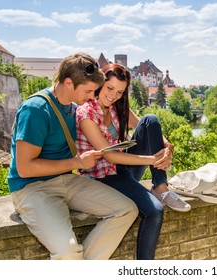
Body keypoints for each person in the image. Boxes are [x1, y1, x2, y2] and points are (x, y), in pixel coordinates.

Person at [7, 53, 138, 260]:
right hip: (32, 188)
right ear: (69, 83)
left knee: (127, 210)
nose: (92, 96)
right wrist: (77, 162)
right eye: (88, 90)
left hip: (68, 180)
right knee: (68, 252)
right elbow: (25, 168)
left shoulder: (73, 108)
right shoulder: (36, 110)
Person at [75, 63, 191, 260]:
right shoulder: (86, 113)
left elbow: (143, 126)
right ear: (100, 84)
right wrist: (154, 160)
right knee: (154, 211)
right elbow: (108, 155)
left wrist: (167, 146)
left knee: (150, 119)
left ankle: (160, 186)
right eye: (110, 88)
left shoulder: (115, 106)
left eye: (120, 92)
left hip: (121, 170)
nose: (113, 95)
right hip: (102, 177)